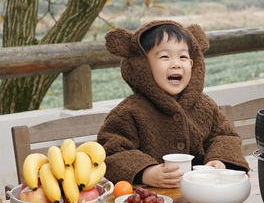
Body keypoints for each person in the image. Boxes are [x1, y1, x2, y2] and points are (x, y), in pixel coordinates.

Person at [98, 20, 249, 187]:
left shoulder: (204, 105)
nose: (176, 63)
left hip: (201, 195)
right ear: (143, 66)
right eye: (165, 57)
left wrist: (218, 160)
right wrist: (146, 172)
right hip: (152, 201)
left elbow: (224, 136)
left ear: (192, 64)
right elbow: (112, 150)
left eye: (183, 57)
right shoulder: (129, 112)